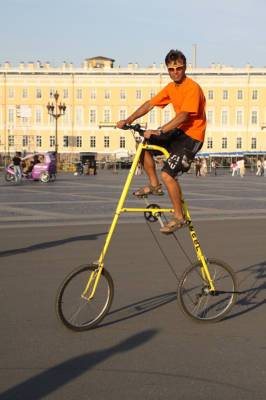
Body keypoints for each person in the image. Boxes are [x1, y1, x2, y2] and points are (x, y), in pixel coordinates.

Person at [116, 49, 206, 234]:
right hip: (178, 133)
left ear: (185, 67)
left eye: (179, 68)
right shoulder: (171, 88)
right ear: (167, 69)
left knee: (168, 174)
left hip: (192, 137)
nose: (175, 72)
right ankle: (154, 186)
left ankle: (179, 217)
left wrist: (160, 130)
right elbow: (150, 104)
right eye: (171, 69)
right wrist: (129, 120)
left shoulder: (192, 88)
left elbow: (183, 116)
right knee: (143, 145)